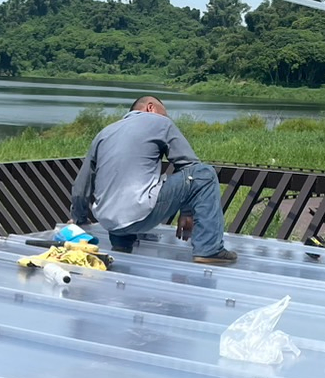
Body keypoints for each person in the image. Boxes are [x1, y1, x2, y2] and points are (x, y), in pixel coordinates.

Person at [69, 96, 237, 263]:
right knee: (205, 174)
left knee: (128, 195)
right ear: (151, 108)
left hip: (109, 222)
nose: (167, 117)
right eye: (165, 113)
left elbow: (81, 186)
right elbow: (189, 166)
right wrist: (187, 212)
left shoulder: (104, 133)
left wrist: (79, 219)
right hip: (139, 213)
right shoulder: (160, 122)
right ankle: (209, 249)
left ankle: (122, 245)